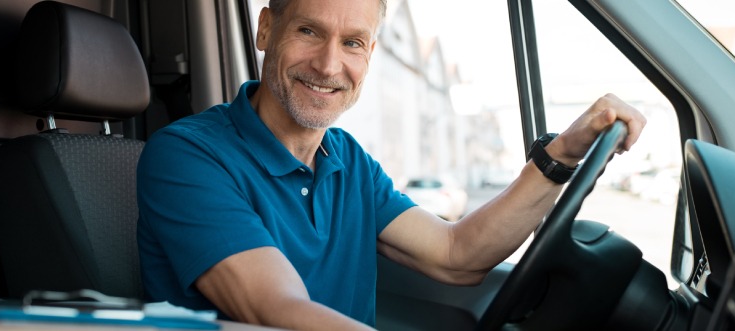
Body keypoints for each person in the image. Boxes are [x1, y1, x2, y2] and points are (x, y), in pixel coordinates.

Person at [135, 0, 647, 330]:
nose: (329, 65)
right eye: (309, 31)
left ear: (371, 53)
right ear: (267, 28)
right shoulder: (188, 155)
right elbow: (277, 312)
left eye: (352, 43)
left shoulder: (348, 161)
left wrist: (561, 155)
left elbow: (457, 253)